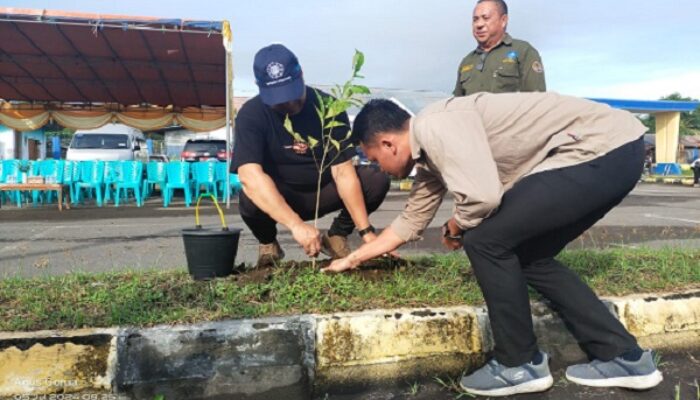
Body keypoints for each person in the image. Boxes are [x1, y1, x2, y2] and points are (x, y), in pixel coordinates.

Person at [324, 93, 664, 397]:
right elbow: (410, 222)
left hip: (599, 148)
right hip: (615, 152)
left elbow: (483, 198)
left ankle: (518, 364)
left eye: (373, 160)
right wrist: (353, 258)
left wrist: (457, 225)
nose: (377, 168)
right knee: (530, 255)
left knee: (485, 240)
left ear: (387, 144)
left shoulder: (435, 125)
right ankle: (625, 357)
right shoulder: (428, 156)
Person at [232, 44, 390, 266]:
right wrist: (296, 225)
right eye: (279, 99)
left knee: (376, 179)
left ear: (301, 74)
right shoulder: (251, 114)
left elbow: (343, 173)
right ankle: (269, 243)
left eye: (292, 93)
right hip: (281, 194)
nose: (289, 103)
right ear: (260, 88)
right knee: (249, 196)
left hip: (324, 189)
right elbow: (250, 175)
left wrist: (367, 233)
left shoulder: (329, 108)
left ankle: (337, 236)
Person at [454, 0, 545, 96]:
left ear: (503, 21)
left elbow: (537, 101)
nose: (479, 25)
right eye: (475, 19)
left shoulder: (524, 52)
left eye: (486, 18)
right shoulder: (467, 61)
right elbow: (457, 106)